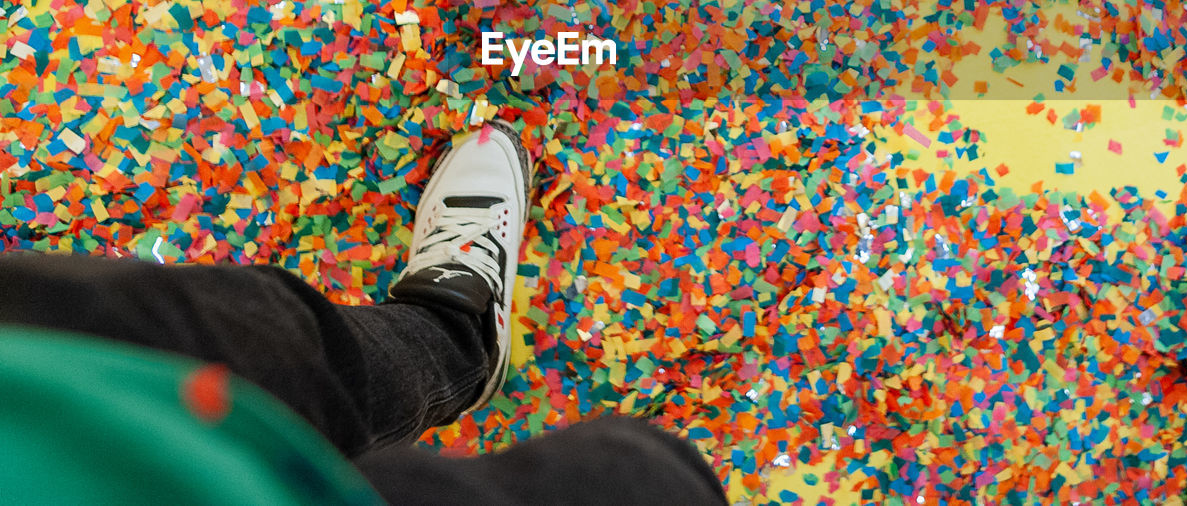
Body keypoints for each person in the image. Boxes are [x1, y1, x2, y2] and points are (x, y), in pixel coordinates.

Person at [0, 124, 729, 506]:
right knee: (639, 474)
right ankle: (452, 337)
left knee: (269, 333)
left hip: (33, 370)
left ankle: (455, 329)